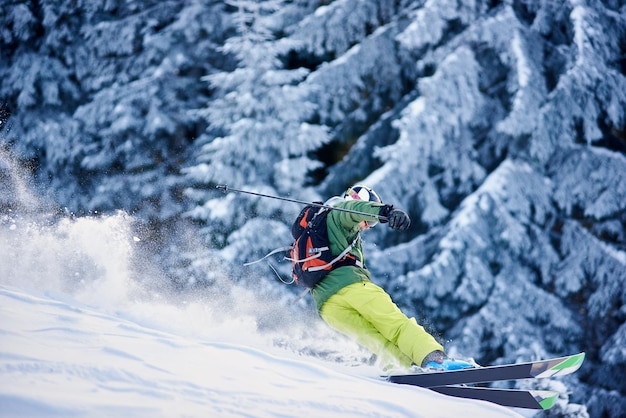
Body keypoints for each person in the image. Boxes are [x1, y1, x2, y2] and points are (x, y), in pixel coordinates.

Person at [312, 184, 473, 371]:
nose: (367, 227)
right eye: (368, 222)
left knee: (376, 340)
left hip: (327, 306)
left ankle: (404, 369)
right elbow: (356, 210)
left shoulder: (322, 225)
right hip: (351, 287)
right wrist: (386, 212)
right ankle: (435, 360)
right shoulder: (342, 211)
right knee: (395, 325)